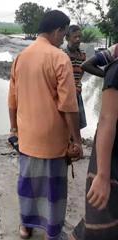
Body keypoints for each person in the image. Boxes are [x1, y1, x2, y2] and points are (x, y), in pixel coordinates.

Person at [8, 10, 83, 240]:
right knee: (53, 190)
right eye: (63, 33)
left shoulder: (21, 57)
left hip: (27, 138)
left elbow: (12, 100)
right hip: (52, 141)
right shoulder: (59, 58)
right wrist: (77, 141)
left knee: (28, 185)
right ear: (58, 30)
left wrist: (14, 129)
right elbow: (69, 105)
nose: (63, 38)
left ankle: (26, 227)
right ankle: (52, 232)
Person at [70, 44, 118, 240]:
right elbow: (107, 120)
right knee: (99, 217)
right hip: (112, 156)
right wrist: (102, 175)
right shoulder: (115, 69)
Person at [64, 25, 87, 130]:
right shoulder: (62, 55)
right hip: (66, 93)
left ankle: (74, 141)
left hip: (77, 91)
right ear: (67, 38)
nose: (78, 39)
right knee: (66, 120)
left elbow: (81, 74)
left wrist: (78, 85)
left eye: (79, 37)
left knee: (77, 121)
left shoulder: (82, 55)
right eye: (75, 37)